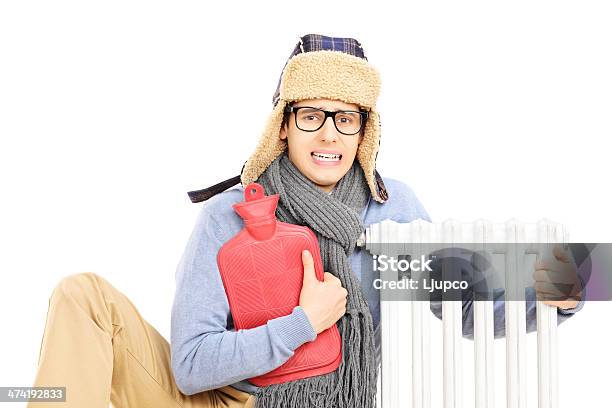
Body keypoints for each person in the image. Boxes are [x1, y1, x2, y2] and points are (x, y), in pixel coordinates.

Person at [28, 34, 584, 408]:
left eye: (346, 119)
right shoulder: (231, 213)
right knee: (84, 296)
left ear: (364, 133)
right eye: (311, 114)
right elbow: (192, 367)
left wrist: (553, 300)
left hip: (343, 397)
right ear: (284, 124)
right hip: (226, 401)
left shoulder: (393, 210)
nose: (328, 134)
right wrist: (300, 324)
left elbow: (463, 306)